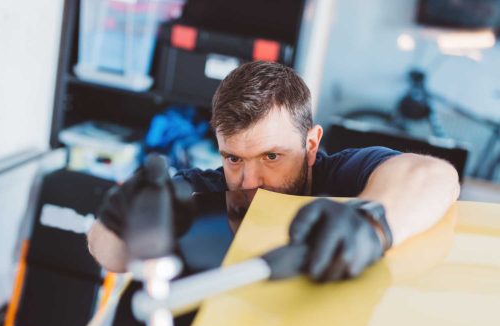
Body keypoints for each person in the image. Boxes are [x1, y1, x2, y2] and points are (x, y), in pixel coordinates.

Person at [88, 61, 459, 282]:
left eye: (271, 157)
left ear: (311, 145)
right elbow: (110, 254)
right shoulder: (200, 194)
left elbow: (433, 175)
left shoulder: (342, 176)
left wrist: (371, 224)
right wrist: (118, 221)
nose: (249, 183)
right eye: (234, 159)